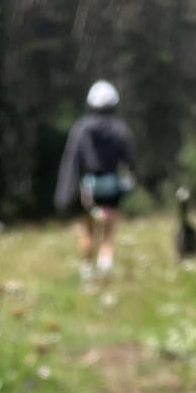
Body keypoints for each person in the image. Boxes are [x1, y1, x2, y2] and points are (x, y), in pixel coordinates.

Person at [54, 80, 137, 277]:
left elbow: (71, 161)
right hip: (111, 186)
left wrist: (63, 194)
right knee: (108, 232)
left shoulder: (81, 128)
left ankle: (87, 269)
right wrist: (131, 181)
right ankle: (105, 266)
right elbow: (130, 160)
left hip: (89, 187)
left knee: (88, 230)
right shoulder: (120, 129)